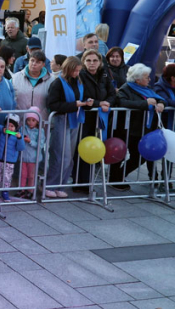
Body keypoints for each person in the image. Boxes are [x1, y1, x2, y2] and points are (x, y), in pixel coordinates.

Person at [110, 63, 167, 189]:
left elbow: (159, 98)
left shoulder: (147, 89)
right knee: (121, 154)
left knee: (139, 156)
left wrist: (162, 104)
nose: (149, 79)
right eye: (147, 77)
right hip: (127, 128)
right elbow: (123, 102)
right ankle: (115, 179)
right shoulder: (126, 88)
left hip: (142, 128)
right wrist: (144, 104)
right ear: (137, 79)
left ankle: (118, 176)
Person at [44, 56, 91, 198]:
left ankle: (60, 185)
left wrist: (88, 102)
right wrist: (74, 105)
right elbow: (52, 105)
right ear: (68, 69)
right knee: (60, 156)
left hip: (73, 120)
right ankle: (50, 184)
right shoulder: (58, 83)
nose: (77, 73)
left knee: (68, 157)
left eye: (78, 71)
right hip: (61, 120)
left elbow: (81, 98)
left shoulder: (79, 82)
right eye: (75, 71)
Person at [75, 50, 116, 189]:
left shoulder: (104, 74)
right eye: (88, 61)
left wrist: (108, 103)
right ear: (84, 62)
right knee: (82, 148)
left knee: (95, 148)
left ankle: (88, 182)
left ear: (100, 62)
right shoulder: (80, 75)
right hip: (85, 117)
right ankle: (80, 182)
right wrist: (99, 104)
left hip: (101, 117)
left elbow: (112, 93)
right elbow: (82, 96)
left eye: (95, 61)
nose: (92, 64)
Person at [0, 114, 25, 201]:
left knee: (7, 178)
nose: (9, 128)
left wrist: (20, 138)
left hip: (10, 161)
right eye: (8, 125)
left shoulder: (18, 135)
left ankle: (5, 192)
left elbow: (21, 148)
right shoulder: (1, 132)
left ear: (16, 127)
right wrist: (2, 129)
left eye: (12, 126)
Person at [19, 108, 43, 199]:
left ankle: (30, 191)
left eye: (33, 120)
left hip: (33, 158)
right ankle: (21, 190)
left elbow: (40, 144)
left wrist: (30, 141)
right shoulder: (22, 128)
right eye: (28, 120)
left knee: (31, 175)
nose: (30, 122)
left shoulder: (40, 131)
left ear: (37, 121)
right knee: (23, 174)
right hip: (23, 156)